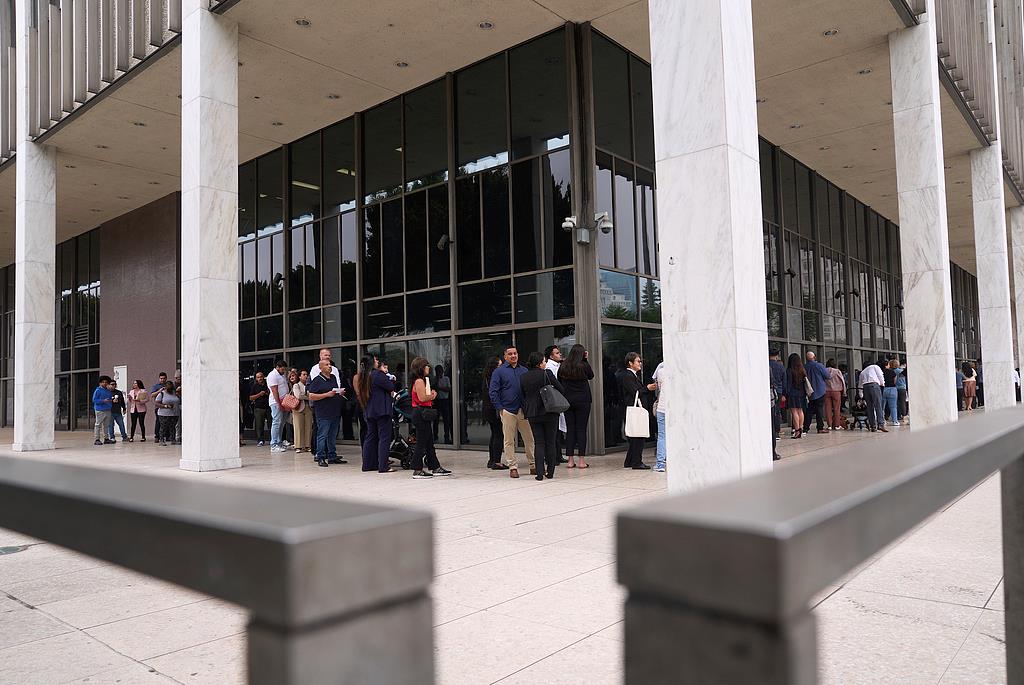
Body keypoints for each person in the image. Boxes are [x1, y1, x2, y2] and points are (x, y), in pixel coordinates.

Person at [489, 346, 536, 479]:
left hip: (523, 410)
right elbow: (493, 391)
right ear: (505, 356)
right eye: (510, 354)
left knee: (529, 439)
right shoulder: (499, 372)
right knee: (509, 440)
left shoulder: (524, 370)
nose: (513, 356)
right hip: (508, 410)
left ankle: (533, 465)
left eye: (515, 353)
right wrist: (500, 408)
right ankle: (513, 467)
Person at [519, 352, 563, 481]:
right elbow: (560, 388)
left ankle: (539, 473)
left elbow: (523, 395)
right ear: (539, 363)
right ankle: (550, 472)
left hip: (533, 413)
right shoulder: (547, 373)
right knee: (550, 442)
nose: (545, 364)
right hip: (549, 411)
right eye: (544, 361)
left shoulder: (524, 377)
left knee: (539, 443)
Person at [409, 356, 450, 479]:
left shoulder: (422, 380)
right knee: (421, 443)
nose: (428, 367)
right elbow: (422, 398)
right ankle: (417, 469)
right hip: (420, 413)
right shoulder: (419, 381)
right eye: (426, 365)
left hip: (423, 413)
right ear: (421, 367)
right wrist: (433, 395)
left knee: (429, 443)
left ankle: (435, 467)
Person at [356, 355, 396, 473]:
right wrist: (388, 376)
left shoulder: (364, 376)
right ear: (372, 362)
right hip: (382, 410)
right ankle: (383, 465)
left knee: (370, 436)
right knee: (384, 437)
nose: (377, 361)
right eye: (376, 360)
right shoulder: (378, 374)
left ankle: (367, 465)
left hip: (370, 410)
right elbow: (390, 386)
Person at [559, 344, 594, 469]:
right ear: (582, 354)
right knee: (581, 429)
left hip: (568, 400)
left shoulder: (564, 365)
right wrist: (586, 360)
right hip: (583, 400)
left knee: (570, 429)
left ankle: (570, 460)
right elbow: (591, 376)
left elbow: (559, 379)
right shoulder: (583, 365)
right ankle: (581, 461)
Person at [307, 359, 346, 467]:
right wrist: (326, 395)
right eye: (327, 365)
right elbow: (311, 396)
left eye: (330, 365)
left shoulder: (333, 377)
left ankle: (332, 456)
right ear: (320, 368)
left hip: (334, 411)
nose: (329, 366)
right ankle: (320, 456)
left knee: (332, 435)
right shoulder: (317, 380)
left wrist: (339, 392)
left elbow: (333, 391)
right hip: (323, 412)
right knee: (322, 435)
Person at [619, 352, 655, 469]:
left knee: (635, 436)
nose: (640, 363)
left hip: (633, 408)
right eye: (638, 361)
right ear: (630, 363)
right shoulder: (628, 376)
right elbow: (635, 392)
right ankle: (636, 462)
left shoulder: (632, 375)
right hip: (634, 408)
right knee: (638, 436)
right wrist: (647, 388)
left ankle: (630, 460)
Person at [482, 356, 507, 470]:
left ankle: (492, 460)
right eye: (500, 365)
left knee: (494, 434)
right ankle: (497, 461)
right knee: (498, 435)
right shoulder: (495, 378)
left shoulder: (487, 377)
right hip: (494, 409)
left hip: (488, 409)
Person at [543, 345, 567, 464]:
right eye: (557, 353)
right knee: (554, 430)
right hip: (554, 400)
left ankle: (558, 455)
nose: (560, 354)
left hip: (558, 400)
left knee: (557, 430)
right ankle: (553, 456)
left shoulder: (558, 365)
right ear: (551, 356)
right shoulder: (549, 367)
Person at [266, 359, 290, 453]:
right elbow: (274, 390)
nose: (283, 371)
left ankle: (279, 442)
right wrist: (278, 403)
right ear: (277, 367)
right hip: (276, 402)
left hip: (284, 401)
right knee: (276, 422)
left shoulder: (281, 375)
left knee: (281, 423)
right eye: (282, 369)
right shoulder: (272, 375)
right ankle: (274, 444)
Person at [802, 351, 829, 435]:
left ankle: (805, 428)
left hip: (809, 391)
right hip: (820, 390)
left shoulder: (804, 367)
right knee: (819, 410)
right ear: (814, 357)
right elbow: (827, 375)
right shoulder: (819, 366)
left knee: (809, 410)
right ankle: (820, 427)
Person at [782, 354, 808, 439]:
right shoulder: (802, 370)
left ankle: (797, 430)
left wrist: (785, 394)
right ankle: (801, 428)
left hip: (792, 394)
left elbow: (788, 384)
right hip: (802, 393)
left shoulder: (789, 371)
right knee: (800, 411)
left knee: (794, 412)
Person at [652, 361, 670, 472]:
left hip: (662, 407)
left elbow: (658, 387)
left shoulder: (661, 370)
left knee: (662, 436)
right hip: (676, 409)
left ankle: (660, 464)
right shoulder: (681, 369)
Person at [860, 358, 887, 432]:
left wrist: (861, 394)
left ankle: (872, 426)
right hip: (874, 385)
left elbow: (860, 384)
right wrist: (882, 384)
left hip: (865, 387)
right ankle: (880, 424)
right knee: (878, 405)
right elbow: (880, 375)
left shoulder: (862, 372)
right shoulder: (875, 367)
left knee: (870, 407)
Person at [290, 369, 312, 454]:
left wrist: (308, 396)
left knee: (308, 426)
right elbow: (298, 396)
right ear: (299, 376)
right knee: (298, 426)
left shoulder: (309, 385)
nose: (306, 376)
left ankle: (307, 445)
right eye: (304, 374)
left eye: (307, 374)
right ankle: (298, 446)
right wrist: (309, 397)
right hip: (298, 407)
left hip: (308, 407)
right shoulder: (296, 385)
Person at [769, 349, 786, 457]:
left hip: (768, 393)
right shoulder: (780, 366)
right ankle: (777, 431)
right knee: (776, 412)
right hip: (777, 392)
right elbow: (784, 380)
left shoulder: (765, 364)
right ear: (776, 356)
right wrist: (784, 393)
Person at [152, 382, 180, 446]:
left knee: (173, 427)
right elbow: (157, 403)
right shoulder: (161, 394)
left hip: (174, 414)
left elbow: (178, 400)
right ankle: (161, 440)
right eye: (168, 388)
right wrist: (165, 406)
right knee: (163, 427)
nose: (170, 390)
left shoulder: (175, 393)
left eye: (171, 388)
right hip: (163, 414)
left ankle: (173, 440)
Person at [824, 358, 847, 430]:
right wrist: (844, 392)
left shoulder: (824, 371)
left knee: (827, 408)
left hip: (826, 391)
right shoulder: (837, 371)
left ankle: (829, 425)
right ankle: (837, 425)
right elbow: (842, 381)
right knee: (837, 408)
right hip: (836, 391)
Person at [249, 371, 271, 445]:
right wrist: (259, 394)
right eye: (258, 377)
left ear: (263, 377)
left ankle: (272, 439)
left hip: (268, 407)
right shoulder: (254, 386)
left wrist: (268, 393)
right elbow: (251, 398)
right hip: (258, 408)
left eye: (261, 376)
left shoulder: (268, 384)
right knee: (259, 425)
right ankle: (260, 440)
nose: (260, 378)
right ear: (256, 378)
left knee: (271, 424)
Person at [433, 364, 453, 444]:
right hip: (437, 401)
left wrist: (440, 388)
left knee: (446, 420)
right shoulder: (435, 379)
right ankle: (435, 435)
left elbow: (448, 389)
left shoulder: (446, 379)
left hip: (445, 400)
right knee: (436, 420)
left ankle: (447, 437)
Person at [92, 376, 115, 446]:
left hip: (108, 409)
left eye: (106, 382)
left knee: (106, 425)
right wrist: (103, 401)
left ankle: (106, 438)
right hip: (100, 410)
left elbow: (109, 399)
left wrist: (112, 400)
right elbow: (94, 400)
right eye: (103, 382)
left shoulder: (108, 391)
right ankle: (97, 439)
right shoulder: (98, 390)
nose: (104, 383)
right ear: (100, 383)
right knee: (98, 425)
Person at [149, 372, 168, 440]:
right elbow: (152, 395)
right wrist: (159, 391)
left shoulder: (168, 385)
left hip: (167, 406)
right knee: (158, 421)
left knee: (167, 421)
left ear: (166, 378)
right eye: (161, 378)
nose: (162, 380)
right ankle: (157, 436)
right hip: (158, 406)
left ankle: (167, 436)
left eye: (163, 378)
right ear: (159, 378)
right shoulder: (156, 386)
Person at [895, 360, 909, 424]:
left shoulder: (892, 371)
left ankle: (898, 415)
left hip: (895, 388)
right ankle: (904, 416)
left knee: (896, 403)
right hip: (902, 388)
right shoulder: (901, 371)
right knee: (903, 403)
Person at [173, 370, 183, 445]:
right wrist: (176, 391)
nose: (178, 380)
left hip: (184, 404)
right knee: (177, 422)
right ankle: (177, 437)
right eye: (177, 378)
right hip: (176, 405)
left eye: (179, 378)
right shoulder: (172, 385)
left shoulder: (185, 383)